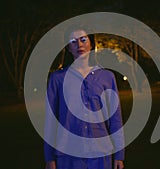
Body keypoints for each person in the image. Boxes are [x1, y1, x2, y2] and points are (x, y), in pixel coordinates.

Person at [44, 25, 125, 169]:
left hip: (101, 153)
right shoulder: (58, 79)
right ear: (68, 47)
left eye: (83, 40)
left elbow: (115, 118)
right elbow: (51, 120)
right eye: (73, 41)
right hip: (68, 154)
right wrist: (49, 157)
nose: (79, 45)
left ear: (91, 43)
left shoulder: (107, 77)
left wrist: (119, 154)